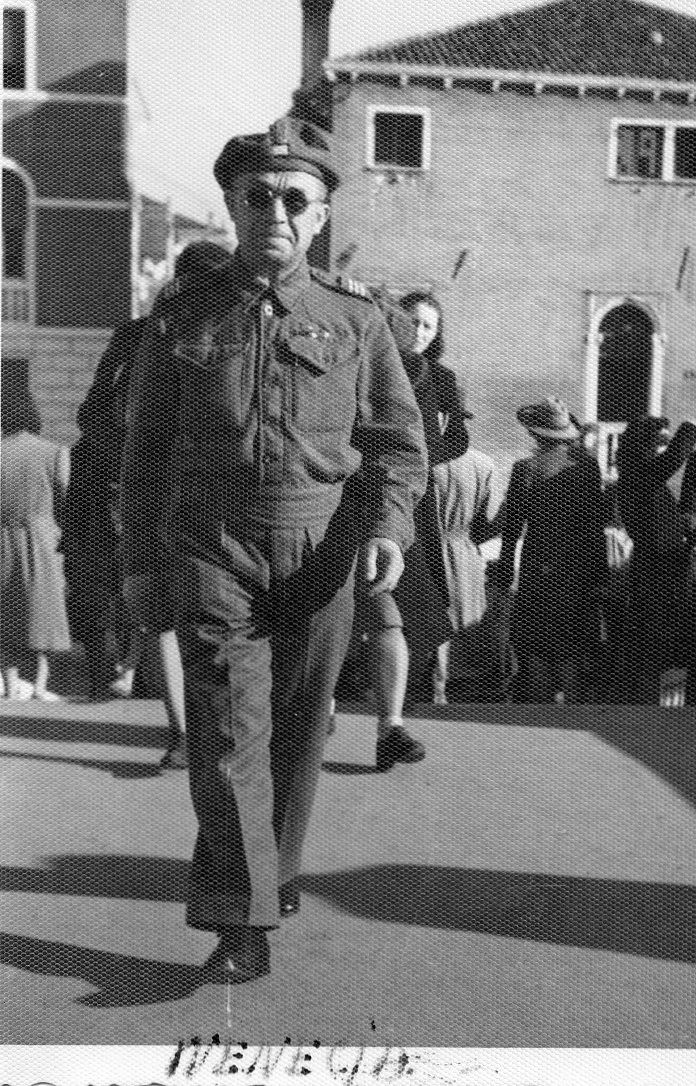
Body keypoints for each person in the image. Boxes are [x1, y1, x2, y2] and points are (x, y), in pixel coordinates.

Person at [120, 115, 428, 984]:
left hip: (322, 549)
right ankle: (239, 920)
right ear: (232, 206)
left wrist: (387, 528)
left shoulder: (358, 319)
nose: (277, 214)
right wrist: (140, 563)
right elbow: (142, 454)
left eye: (297, 200)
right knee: (227, 734)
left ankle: (273, 875)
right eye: (259, 197)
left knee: (297, 731)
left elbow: (399, 443)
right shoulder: (181, 317)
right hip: (212, 545)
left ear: (321, 215)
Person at [62, 241, 230, 769]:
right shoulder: (137, 336)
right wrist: (134, 457)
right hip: (158, 493)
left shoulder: (235, 333)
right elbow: (92, 414)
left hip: (193, 492)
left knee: (187, 611)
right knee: (166, 607)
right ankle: (186, 733)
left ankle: (195, 733)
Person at [347, 289, 469, 769]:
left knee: (391, 610)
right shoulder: (353, 362)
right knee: (330, 613)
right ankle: (327, 709)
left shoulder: (429, 375)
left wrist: (410, 464)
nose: (418, 332)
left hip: (396, 502)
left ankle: (391, 725)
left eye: (428, 326)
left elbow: (445, 440)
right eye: (412, 322)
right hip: (339, 496)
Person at [498, 396, 606, 703]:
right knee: (572, 641)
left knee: (536, 640)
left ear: (535, 434)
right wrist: (600, 573)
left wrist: (505, 569)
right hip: (577, 566)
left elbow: (512, 527)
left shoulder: (525, 469)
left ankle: (539, 706)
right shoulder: (587, 467)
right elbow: (596, 525)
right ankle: (572, 708)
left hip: (537, 563)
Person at [615, 415, 696, 705]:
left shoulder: (641, 477)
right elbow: (674, 458)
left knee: (664, 647)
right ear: (644, 446)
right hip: (658, 572)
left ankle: (660, 707)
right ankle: (652, 712)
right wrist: (690, 427)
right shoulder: (639, 475)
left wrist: (684, 524)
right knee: (655, 647)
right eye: (656, 442)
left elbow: (667, 518)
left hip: (664, 568)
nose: (660, 447)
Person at [1, 390, 71, 700]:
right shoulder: (54, 451)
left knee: (6, 608)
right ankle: (41, 686)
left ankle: (10, 683)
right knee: (44, 610)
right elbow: (66, 497)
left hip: (3, 536)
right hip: (42, 536)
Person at [431, 438, 505, 703]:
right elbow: (492, 523)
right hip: (464, 553)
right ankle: (461, 687)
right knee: (465, 622)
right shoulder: (483, 463)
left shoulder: (421, 460)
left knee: (430, 621)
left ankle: (433, 685)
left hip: (422, 552)